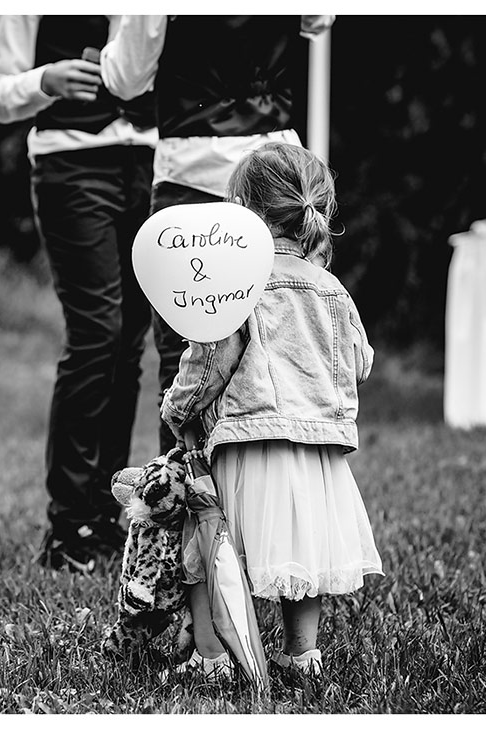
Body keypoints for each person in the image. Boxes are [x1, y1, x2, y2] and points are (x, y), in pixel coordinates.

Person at [161, 142, 383, 678]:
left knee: (209, 547)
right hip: (318, 453)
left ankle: (212, 656)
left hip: (248, 440)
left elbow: (214, 358)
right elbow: (360, 361)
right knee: (298, 557)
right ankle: (302, 655)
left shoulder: (239, 282)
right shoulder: (333, 288)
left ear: (242, 209)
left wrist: (179, 408)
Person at [101, 14, 333, 455]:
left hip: (194, 180)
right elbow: (318, 18)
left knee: (183, 364)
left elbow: (125, 79)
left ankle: (184, 514)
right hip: (276, 177)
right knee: (286, 349)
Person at [0, 16, 158, 573]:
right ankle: (68, 526)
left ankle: (108, 513)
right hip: (71, 165)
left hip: (151, 161)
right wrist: (44, 81)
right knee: (96, 335)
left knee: (130, 341)